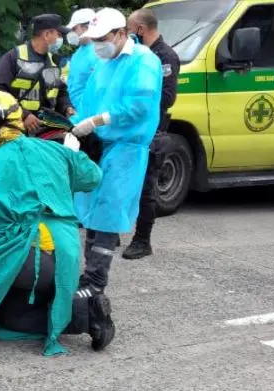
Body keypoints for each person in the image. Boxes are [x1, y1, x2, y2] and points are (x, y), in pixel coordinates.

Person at [0, 91, 114, 357]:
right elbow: (93, 177)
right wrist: (66, 168)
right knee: (12, 318)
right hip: (66, 257)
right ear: (19, 120)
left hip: (25, 258)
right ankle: (88, 314)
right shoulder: (54, 149)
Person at [68, 8, 163, 296]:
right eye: (94, 38)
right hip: (99, 145)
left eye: (103, 38)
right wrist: (76, 130)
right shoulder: (104, 61)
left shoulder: (144, 61)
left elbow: (140, 106)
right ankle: (88, 276)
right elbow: (89, 100)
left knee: (108, 211)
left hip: (126, 147)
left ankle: (96, 282)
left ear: (122, 33)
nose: (97, 44)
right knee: (90, 210)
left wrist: (100, 120)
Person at [122, 8, 180, 260]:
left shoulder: (164, 57)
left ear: (140, 30)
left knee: (146, 187)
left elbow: (167, 97)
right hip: (131, 129)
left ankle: (142, 240)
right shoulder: (135, 55)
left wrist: (138, 103)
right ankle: (111, 230)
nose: (126, 34)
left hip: (151, 131)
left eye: (128, 29)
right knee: (122, 181)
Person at [0, 13, 74, 133]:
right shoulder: (14, 57)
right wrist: (24, 114)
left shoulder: (53, 61)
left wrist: (67, 107)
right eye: (58, 34)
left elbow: (60, 92)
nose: (59, 39)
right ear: (46, 35)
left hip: (47, 129)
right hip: (17, 129)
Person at [62, 8, 99, 112]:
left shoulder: (100, 52)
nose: (71, 33)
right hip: (74, 112)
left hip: (90, 114)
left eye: (74, 29)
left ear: (87, 27)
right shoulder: (77, 53)